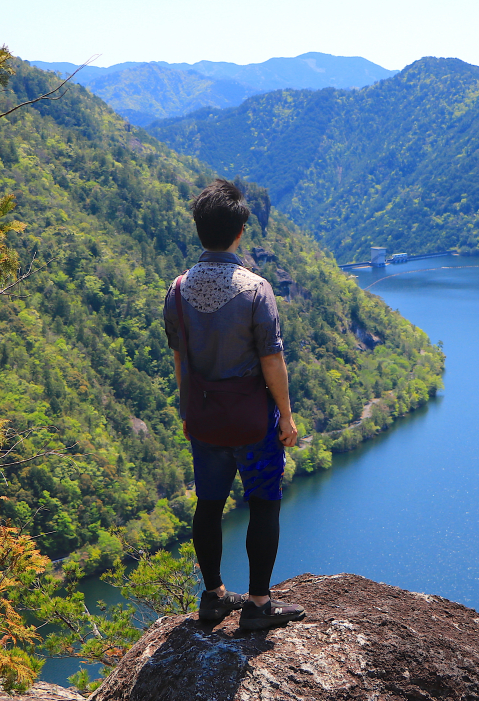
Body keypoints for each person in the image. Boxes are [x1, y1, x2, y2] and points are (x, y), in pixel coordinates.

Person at [163, 179, 306, 630]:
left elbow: (180, 359)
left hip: (204, 417)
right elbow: (272, 358)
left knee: (208, 504)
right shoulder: (255, 289)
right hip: (252, 421)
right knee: (263, 503)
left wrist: (187, 412)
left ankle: (213, 596)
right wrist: (285, 414)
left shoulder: (178, 289)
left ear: (198, 228)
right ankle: (259, 604)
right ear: (241, 230)